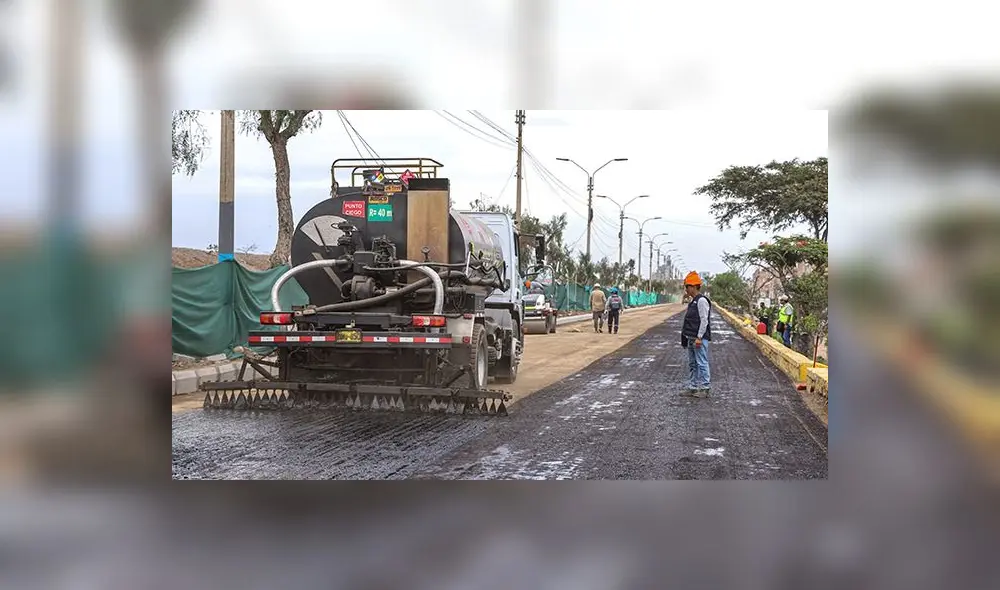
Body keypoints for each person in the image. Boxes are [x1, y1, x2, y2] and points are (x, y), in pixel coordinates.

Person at [680, 271, 712, 396]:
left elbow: (704, 320)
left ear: (693, 287)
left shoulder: (701, 301)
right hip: (691, 338)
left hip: (699, 339)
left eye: (687, 287)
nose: (686, 290)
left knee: (702, 362)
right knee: (693, 363)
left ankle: (705, 388)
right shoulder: (693, 301)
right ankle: (693, 387)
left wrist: (699, 337)